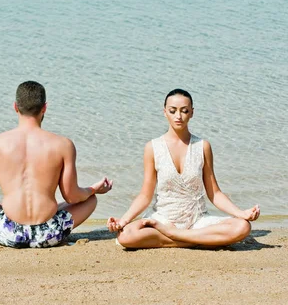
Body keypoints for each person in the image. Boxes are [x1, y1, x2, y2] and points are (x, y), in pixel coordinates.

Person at [0, 81, 113, 248]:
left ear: (15, 107)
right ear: (44, 108)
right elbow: (72, 196)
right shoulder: (63, 145)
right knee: (90, 200)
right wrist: (94, 189)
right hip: (50, 234)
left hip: (9, 234)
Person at [107, 89, 260, 249]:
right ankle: (199, 240)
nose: (178, 116)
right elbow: (145, 195)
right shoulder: (152, 147)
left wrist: (241, 214)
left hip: (197, 221)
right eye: (173, 111)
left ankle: (174, 236)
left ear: (192, 113)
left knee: (242, 227)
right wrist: (123, 220)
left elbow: (214, 193)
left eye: (184, 111)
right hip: (163, 220)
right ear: (165, 112)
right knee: (126, 235)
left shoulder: (203, 146)